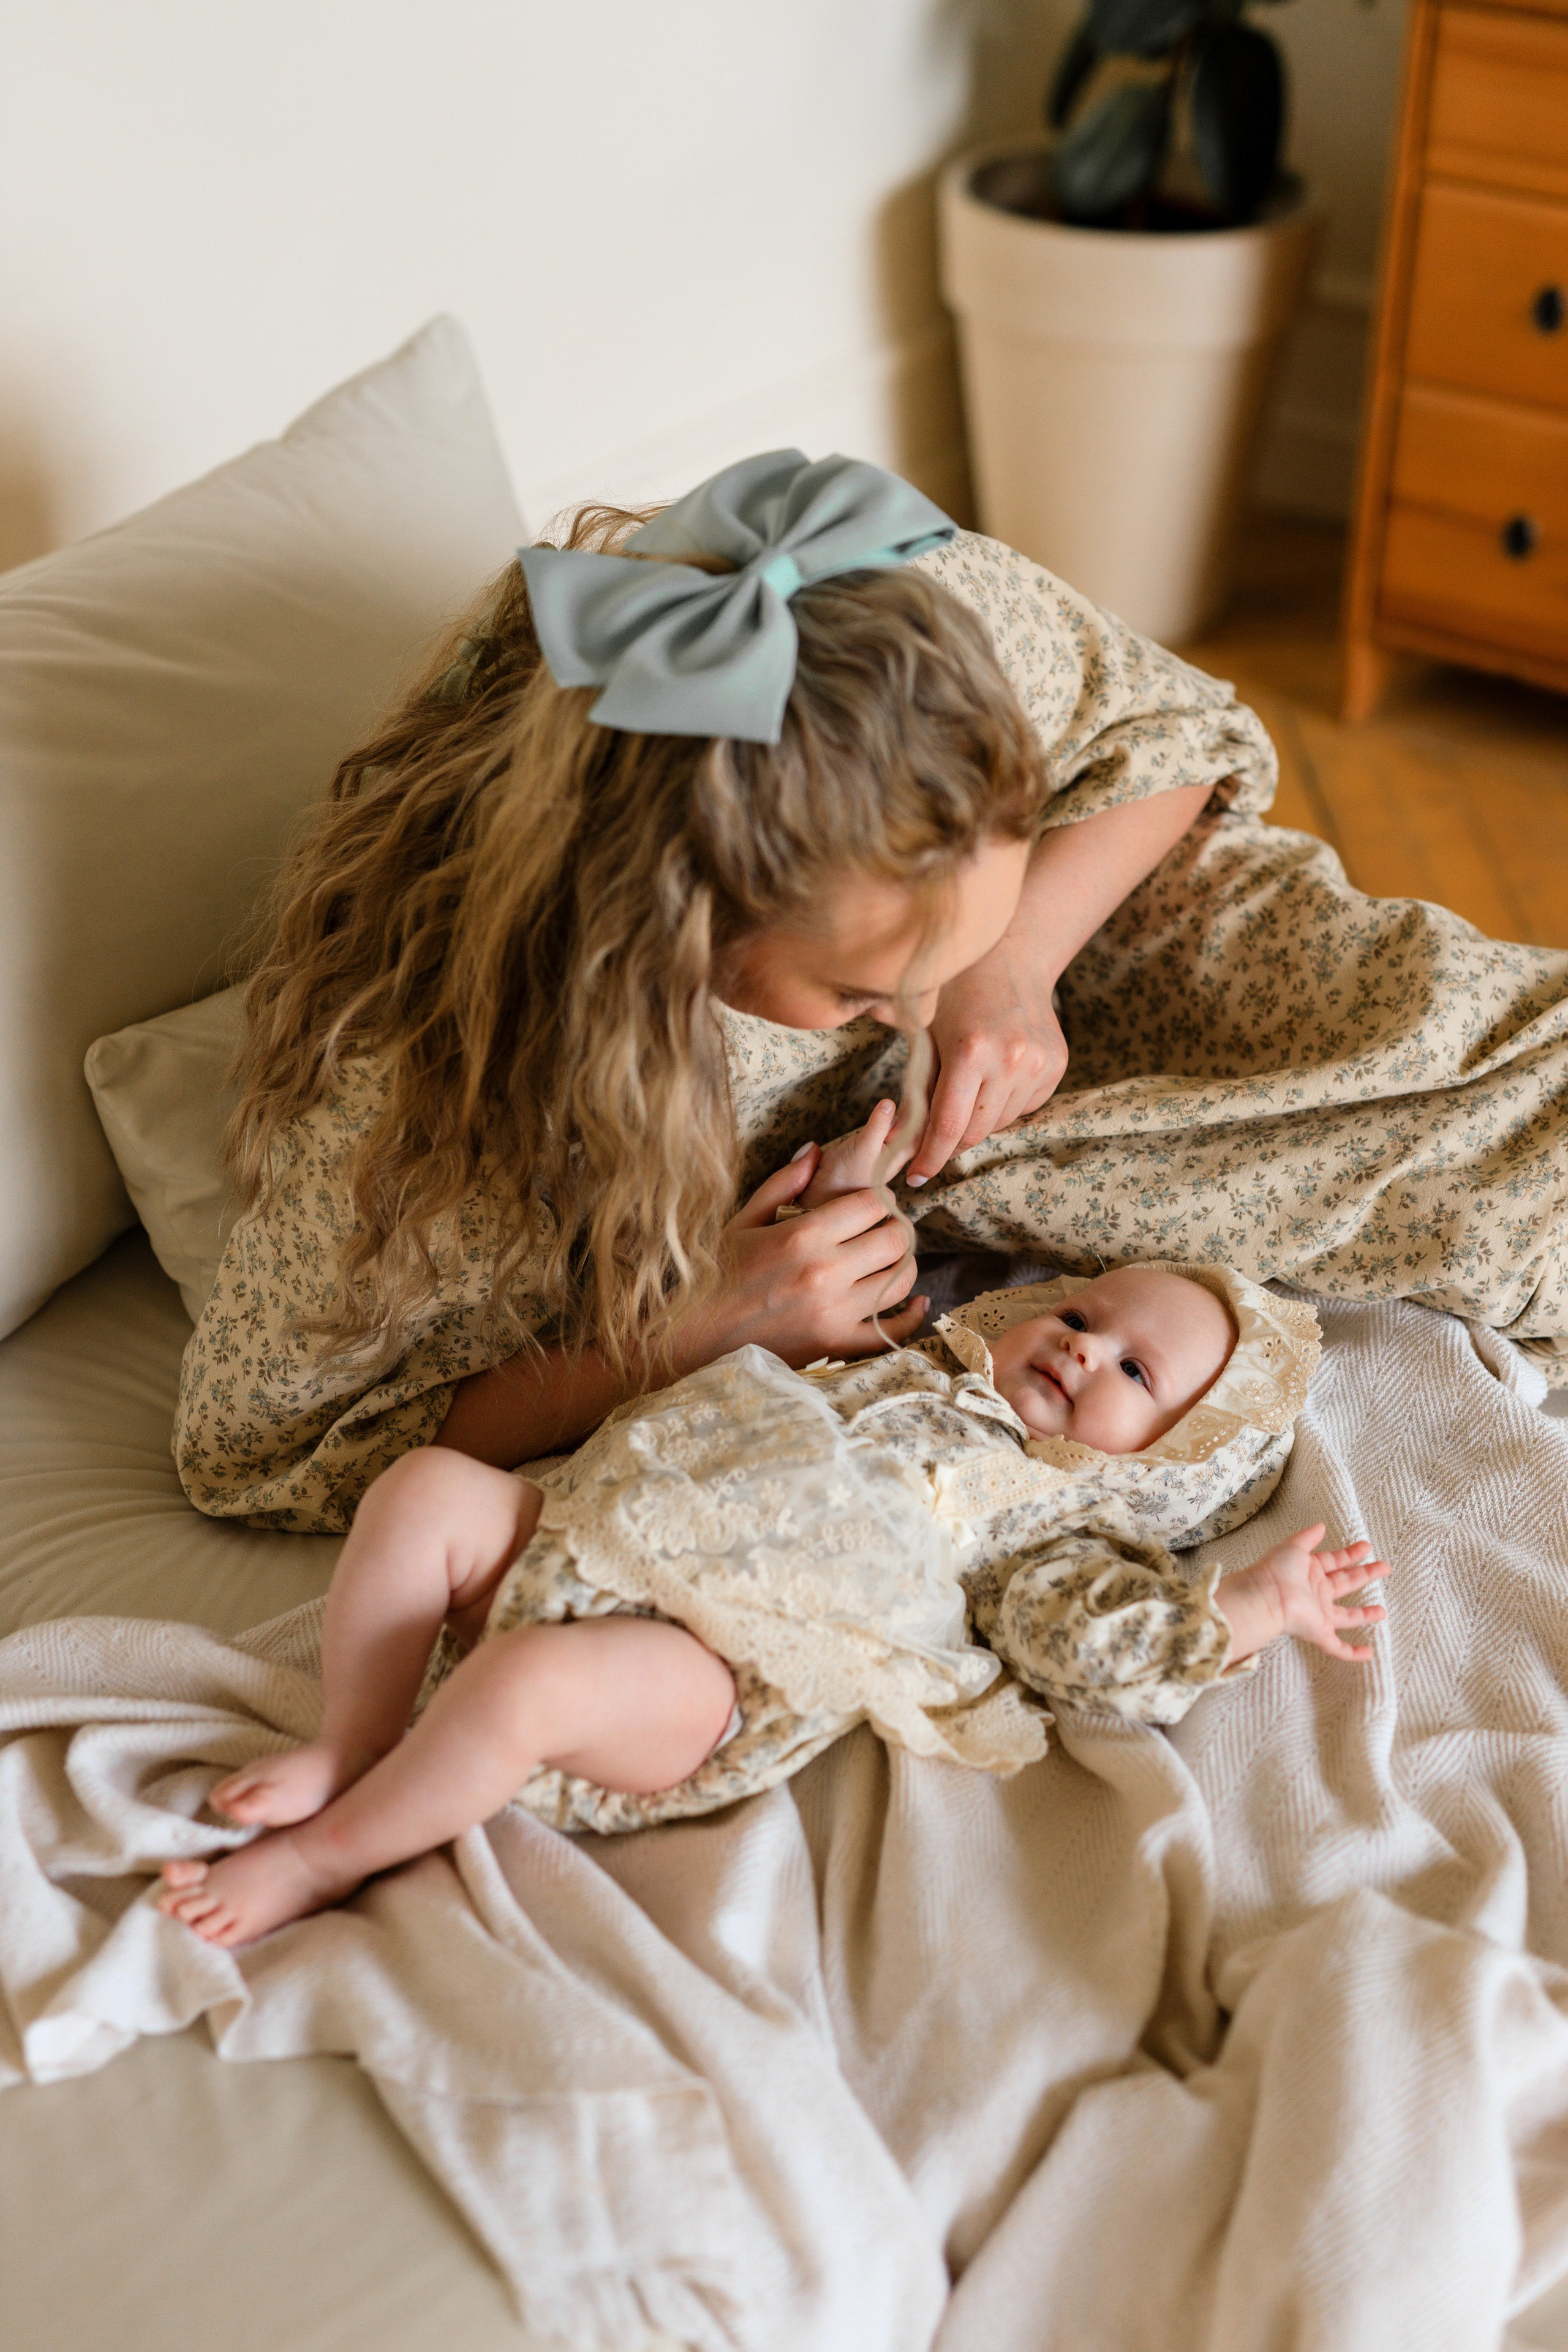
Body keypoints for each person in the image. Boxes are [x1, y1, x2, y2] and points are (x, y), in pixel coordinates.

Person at [175, 447, 1568, 1547]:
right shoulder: (445, 1086)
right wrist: (688, 1332)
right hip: (783, 1171)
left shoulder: (908, 629)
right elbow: (255, 1449)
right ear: (671, 924)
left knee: (1508, 1099)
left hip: (1088, 970)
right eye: (856, 991)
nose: (905, 1016)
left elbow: (1176, 734)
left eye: (936, 952)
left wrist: (1008, 961)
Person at [159, 1104, 1381, 1946]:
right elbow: (808, 1314)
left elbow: (1090, 1643)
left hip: (713, 1670)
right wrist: (848, 1205)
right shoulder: (910, 1361)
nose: (1083, 1349)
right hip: (589, 1533)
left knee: (524, 1685)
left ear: (1170, 1465)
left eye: (1134, 1374)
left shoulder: (1048, 1527)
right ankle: (355, 1740)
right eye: (1083, 1316)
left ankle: (327, 1856)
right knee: (422, 1490)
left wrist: (1244, 1610)